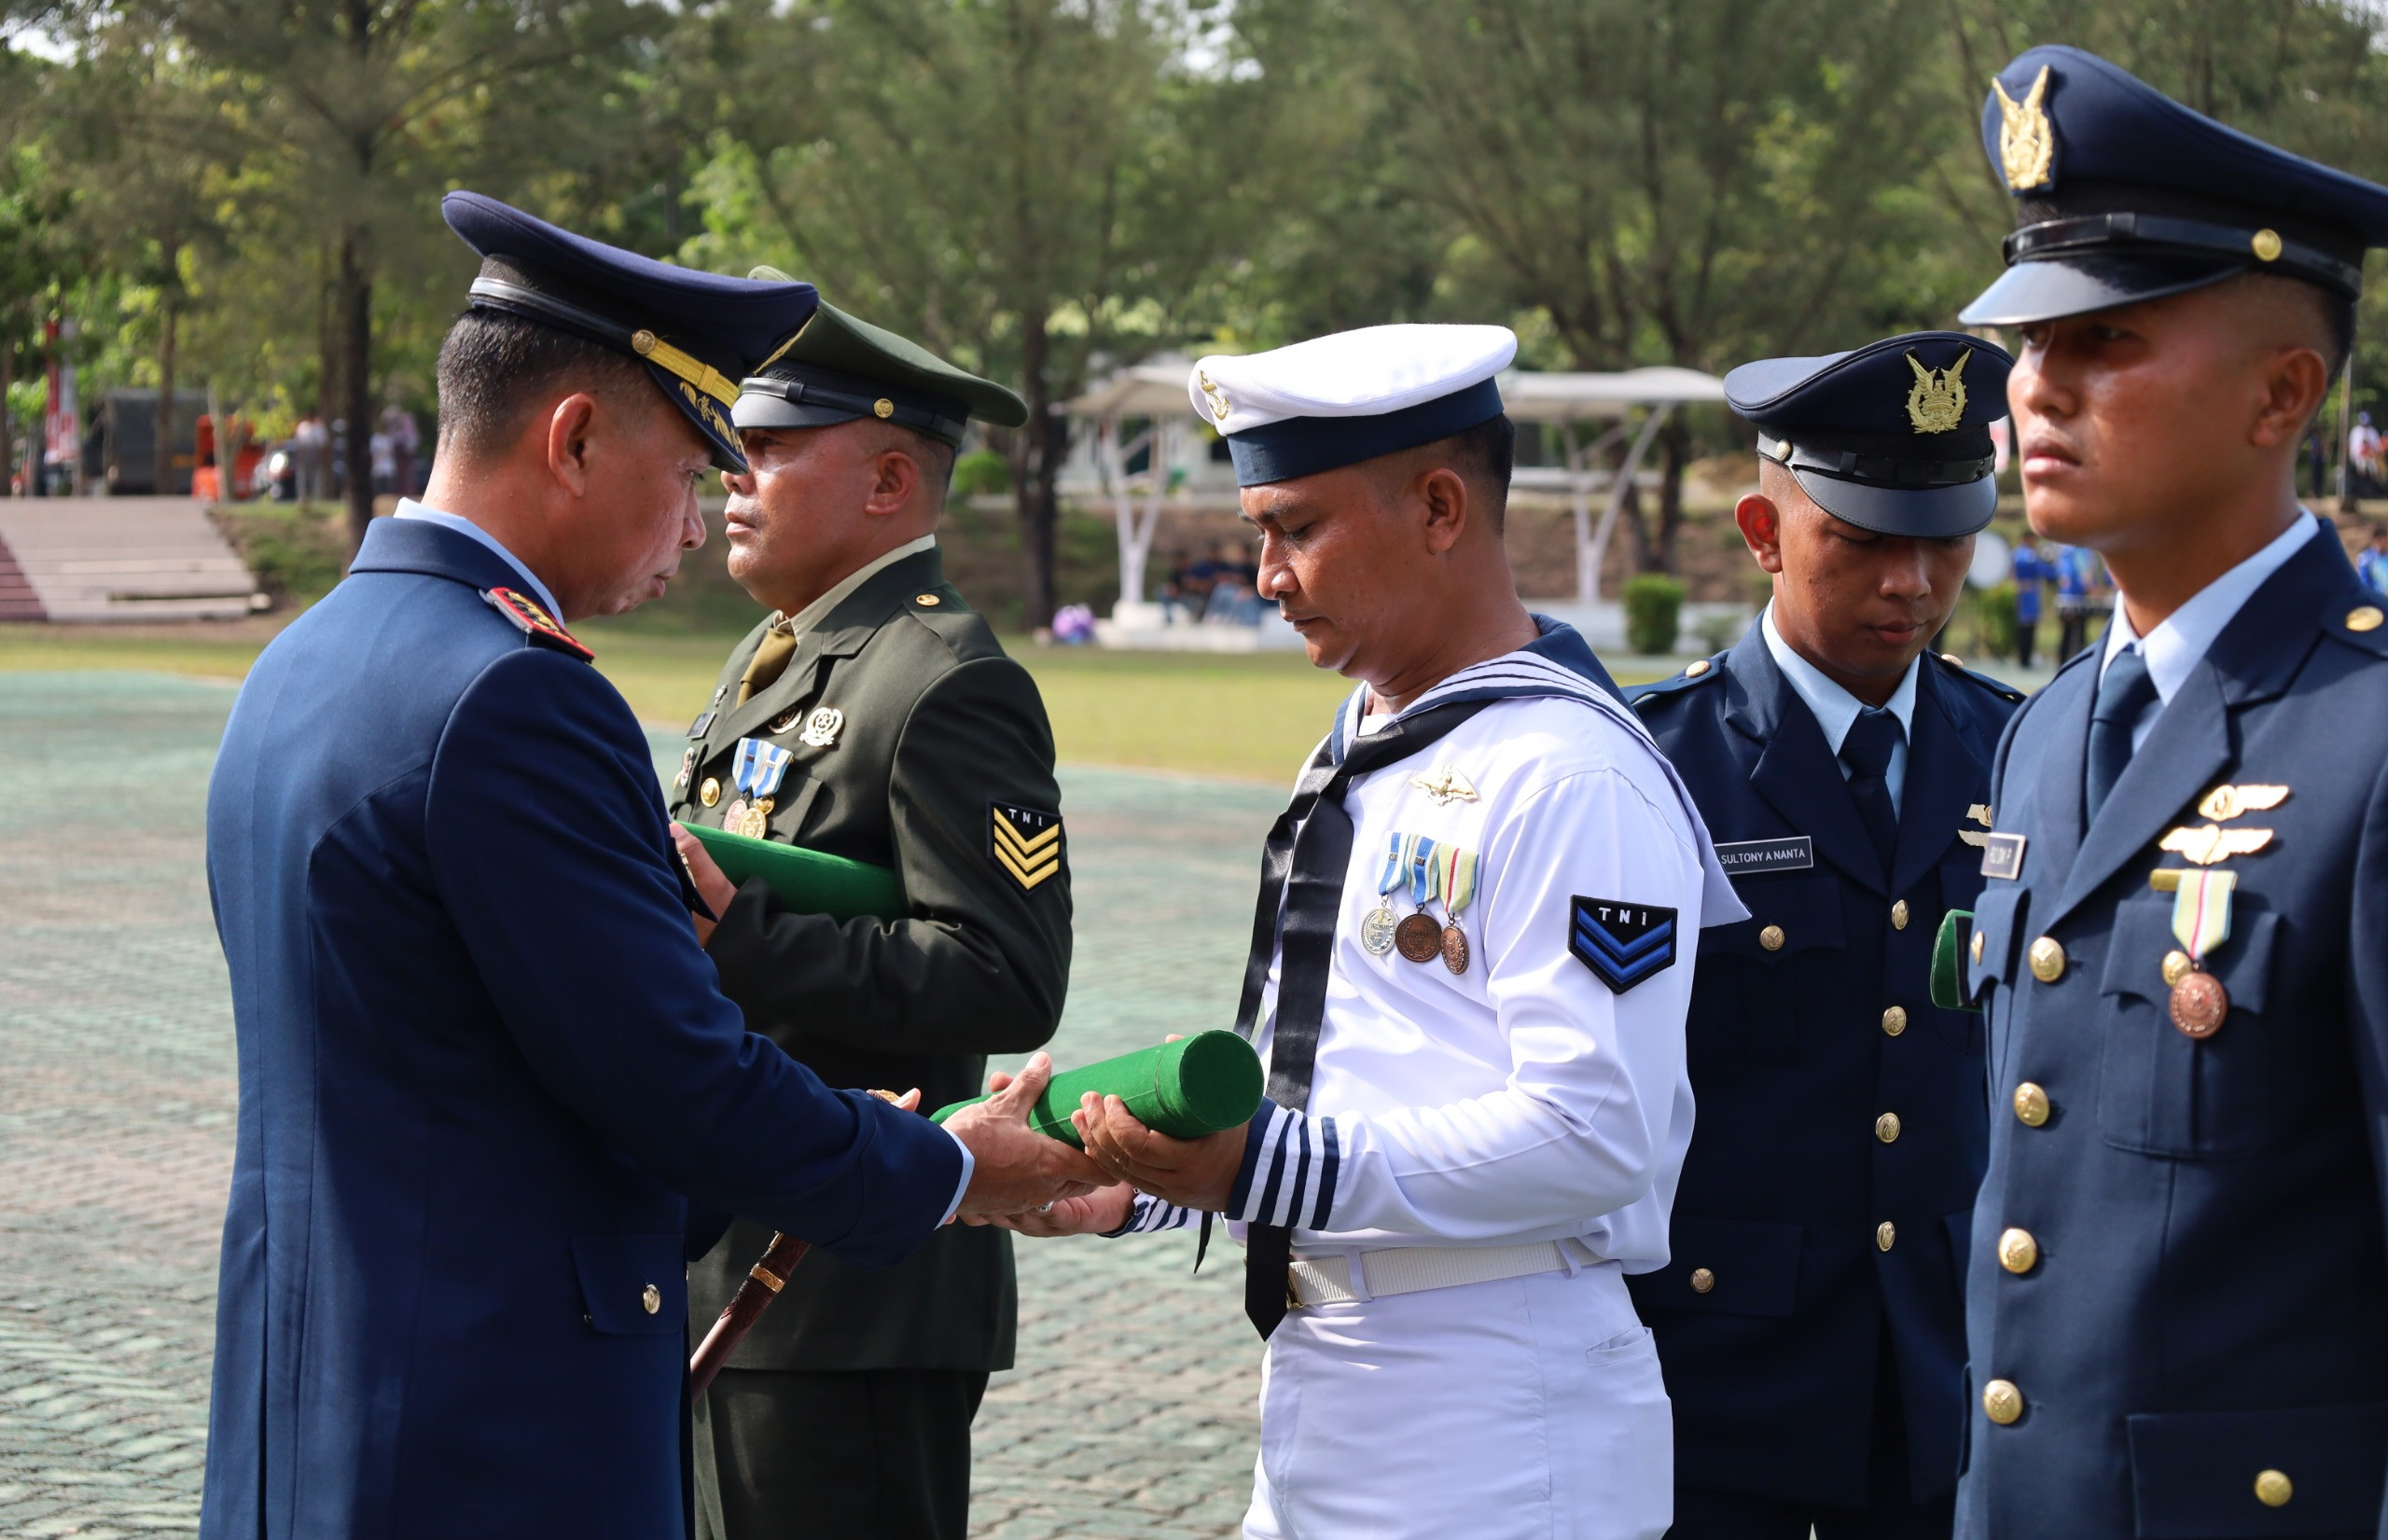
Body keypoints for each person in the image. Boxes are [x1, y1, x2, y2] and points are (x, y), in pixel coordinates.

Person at [197, 192, 1105, 1539]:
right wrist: (945, 1165)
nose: (698, 523)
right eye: (690, 470)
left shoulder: (308, 659)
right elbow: (674, 1076)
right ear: (572, 440)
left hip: (312, 1387)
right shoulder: (513, 696)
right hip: (485, 1415)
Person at [972, 323, 1744, 1540]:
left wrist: (1256, 1166)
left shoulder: (1566, 773)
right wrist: (1144, 1181)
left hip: (1494, 1410)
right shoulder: (1373, 740)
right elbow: (1347, 1070)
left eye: (1297, 526)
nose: (1267, 572)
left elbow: (1596, 1134)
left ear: (1440, 506)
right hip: (1338, 1380)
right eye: (1258, 533)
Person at [1950, 46, 2388, 1537]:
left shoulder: (2369, 736)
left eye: (2108, 340)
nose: (2038, 387)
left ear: (2284, 393)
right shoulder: (2050, 724)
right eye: (2029, 342)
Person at [672, 296, 1064, 1540]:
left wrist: (746, 939)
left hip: (853, 1287)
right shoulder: (777, 656)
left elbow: (1006, 974)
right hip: (738, 1256)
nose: (736, 475)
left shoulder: (946, 679)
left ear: (891, 478)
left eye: (774, 449)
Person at [1625, 333, 2024, 1539]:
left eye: (1945, 538)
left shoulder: (2019, 751)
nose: (1912, 581)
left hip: (1941, 1378)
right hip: (1722, 1383)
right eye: (1862, 540)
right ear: (1763, 531)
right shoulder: (1653, 764)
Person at [2008, 531, 2047, 666]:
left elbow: (2010, 573)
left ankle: (2024, 658)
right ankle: (2024, 658)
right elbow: (2042, 570)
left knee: (2026, 627)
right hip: (2027, 593)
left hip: (2026, 593)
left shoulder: (2015, 554)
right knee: (2026, 628)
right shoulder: (2028, 555)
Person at [2359, 523, 2388, 596]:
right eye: (2382, 539)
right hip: (2377, 598)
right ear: (2376, 540)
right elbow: (2365, 581)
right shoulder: (2367, 558)